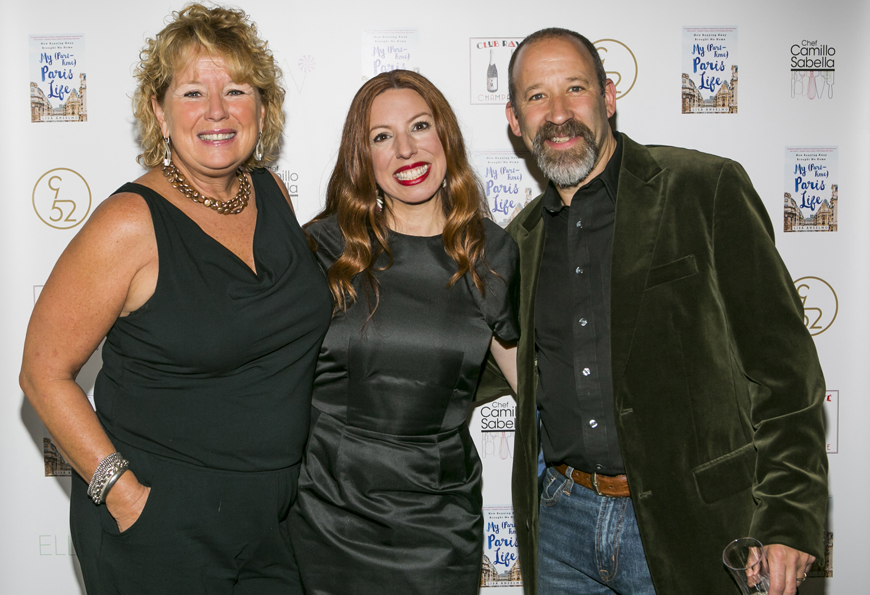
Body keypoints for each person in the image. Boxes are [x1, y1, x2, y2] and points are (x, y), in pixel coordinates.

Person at [476, 28, 828, 595]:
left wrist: (788, 515)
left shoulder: (703, 189)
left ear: (609, 96)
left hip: (693, 526)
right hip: (561, 528)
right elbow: (465, 367)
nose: (559, 113)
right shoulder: (518, 242)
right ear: (515, 120)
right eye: (537, 96)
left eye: (575, 88)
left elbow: (785, 373)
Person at [19, 5, 331, 593]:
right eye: (192, 93)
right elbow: (41, 373)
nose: (216, 111)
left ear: (262, 109)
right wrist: (124, 495)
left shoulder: (271, 193)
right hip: (162, 525)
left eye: (236, 90)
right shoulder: (129, 223)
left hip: (274, 518)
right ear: (159, 113)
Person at [287, 70, 520, 594]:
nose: (406, 150)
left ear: (445, 136)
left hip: (439, 524)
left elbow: (530, 385)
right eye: (381, 137)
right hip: (326, 512)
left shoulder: (492, 254)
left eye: (419, 126)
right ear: (363, 158)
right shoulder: (322, 249)